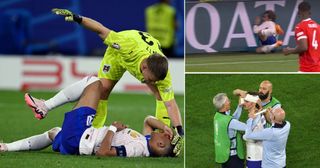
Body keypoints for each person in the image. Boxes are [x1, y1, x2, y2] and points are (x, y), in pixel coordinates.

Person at [25, 8, 184, 136]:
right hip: (117, 55)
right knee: (102, 89)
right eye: (148, 80)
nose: (151, 83)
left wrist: (179, 130)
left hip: (143, 51)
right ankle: (91, 130)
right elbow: (100, 29)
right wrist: (78, 18)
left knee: (161, 96)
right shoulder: (126, 45)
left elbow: (170, 104)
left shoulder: (161, 72)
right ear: (144, 68)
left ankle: (160, 133)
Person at [1, 81, 182, 157]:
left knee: (94, 83)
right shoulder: (146, 140)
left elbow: (103, 153)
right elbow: (148, 120)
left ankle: (44, 106)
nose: (161, 133)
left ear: (160, 145)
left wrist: (112, 128)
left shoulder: (138, 148)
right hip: (76, 143)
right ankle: (5, 147)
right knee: (54, 133)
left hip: (81, 137)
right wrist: (167, 128)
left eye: (164, 137)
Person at [283, 1, 320, 72]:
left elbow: (303, 47)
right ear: (309, 12)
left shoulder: (300, 26)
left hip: (307, 69)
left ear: (299, 12)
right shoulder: (318, 27)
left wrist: (290, 51)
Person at [213, 93, 246, 168]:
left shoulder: (217, 116)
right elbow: (247, 127)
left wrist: (240, 106)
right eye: (228, 100)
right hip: (233, 158)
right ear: (223, 104)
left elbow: (232, 120)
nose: (230, 102)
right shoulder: (230, 121)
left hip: (224, 156)